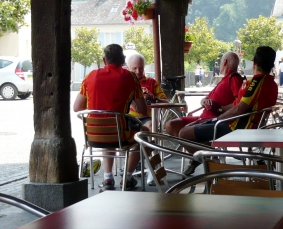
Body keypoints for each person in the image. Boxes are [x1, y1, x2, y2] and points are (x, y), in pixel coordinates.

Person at [181, 46, 279, 174]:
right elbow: (238, 104)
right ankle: (211, 158)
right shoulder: (272, 84)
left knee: (183, 133)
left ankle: (211, 161)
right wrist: (220, 109)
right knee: (193, 128)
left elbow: (239, 109)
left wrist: (215, 120)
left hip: (236, 128)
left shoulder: (255, 83)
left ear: (254, 62)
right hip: (252, 126)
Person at [73, 44, 148, 191]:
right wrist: (131, 99)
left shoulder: (90, 76)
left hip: (93, 135)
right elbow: (143, 110)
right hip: (119, 134)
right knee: (142, 136)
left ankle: (107, 178)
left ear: (104, 60)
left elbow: (77, 108)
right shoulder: (130, 77)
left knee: (108, 132)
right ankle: (127, 177)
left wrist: (95, 117)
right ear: (123, 60)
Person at [164, 52, 243, 137]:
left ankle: (199, 147)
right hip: (202, 117)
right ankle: (201, 147)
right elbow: (204, 99)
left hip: (213, 120)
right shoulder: (224, 79)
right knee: (170, 125)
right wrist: (204, 101)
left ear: (225, 62)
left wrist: (220, 109)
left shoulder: (234, 78)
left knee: (183, 133)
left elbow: (239, 104)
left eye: (220, 62)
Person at [126, 53, 168, 131]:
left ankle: (150, 142)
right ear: (128, 68)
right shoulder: (124, 82)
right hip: (127, 117)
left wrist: (153, 99)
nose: (138, 71)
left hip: (146, 118)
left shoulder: (152, 82)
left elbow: (166, 102)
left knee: (151, 126)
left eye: (141, 68)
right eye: (134, 68)